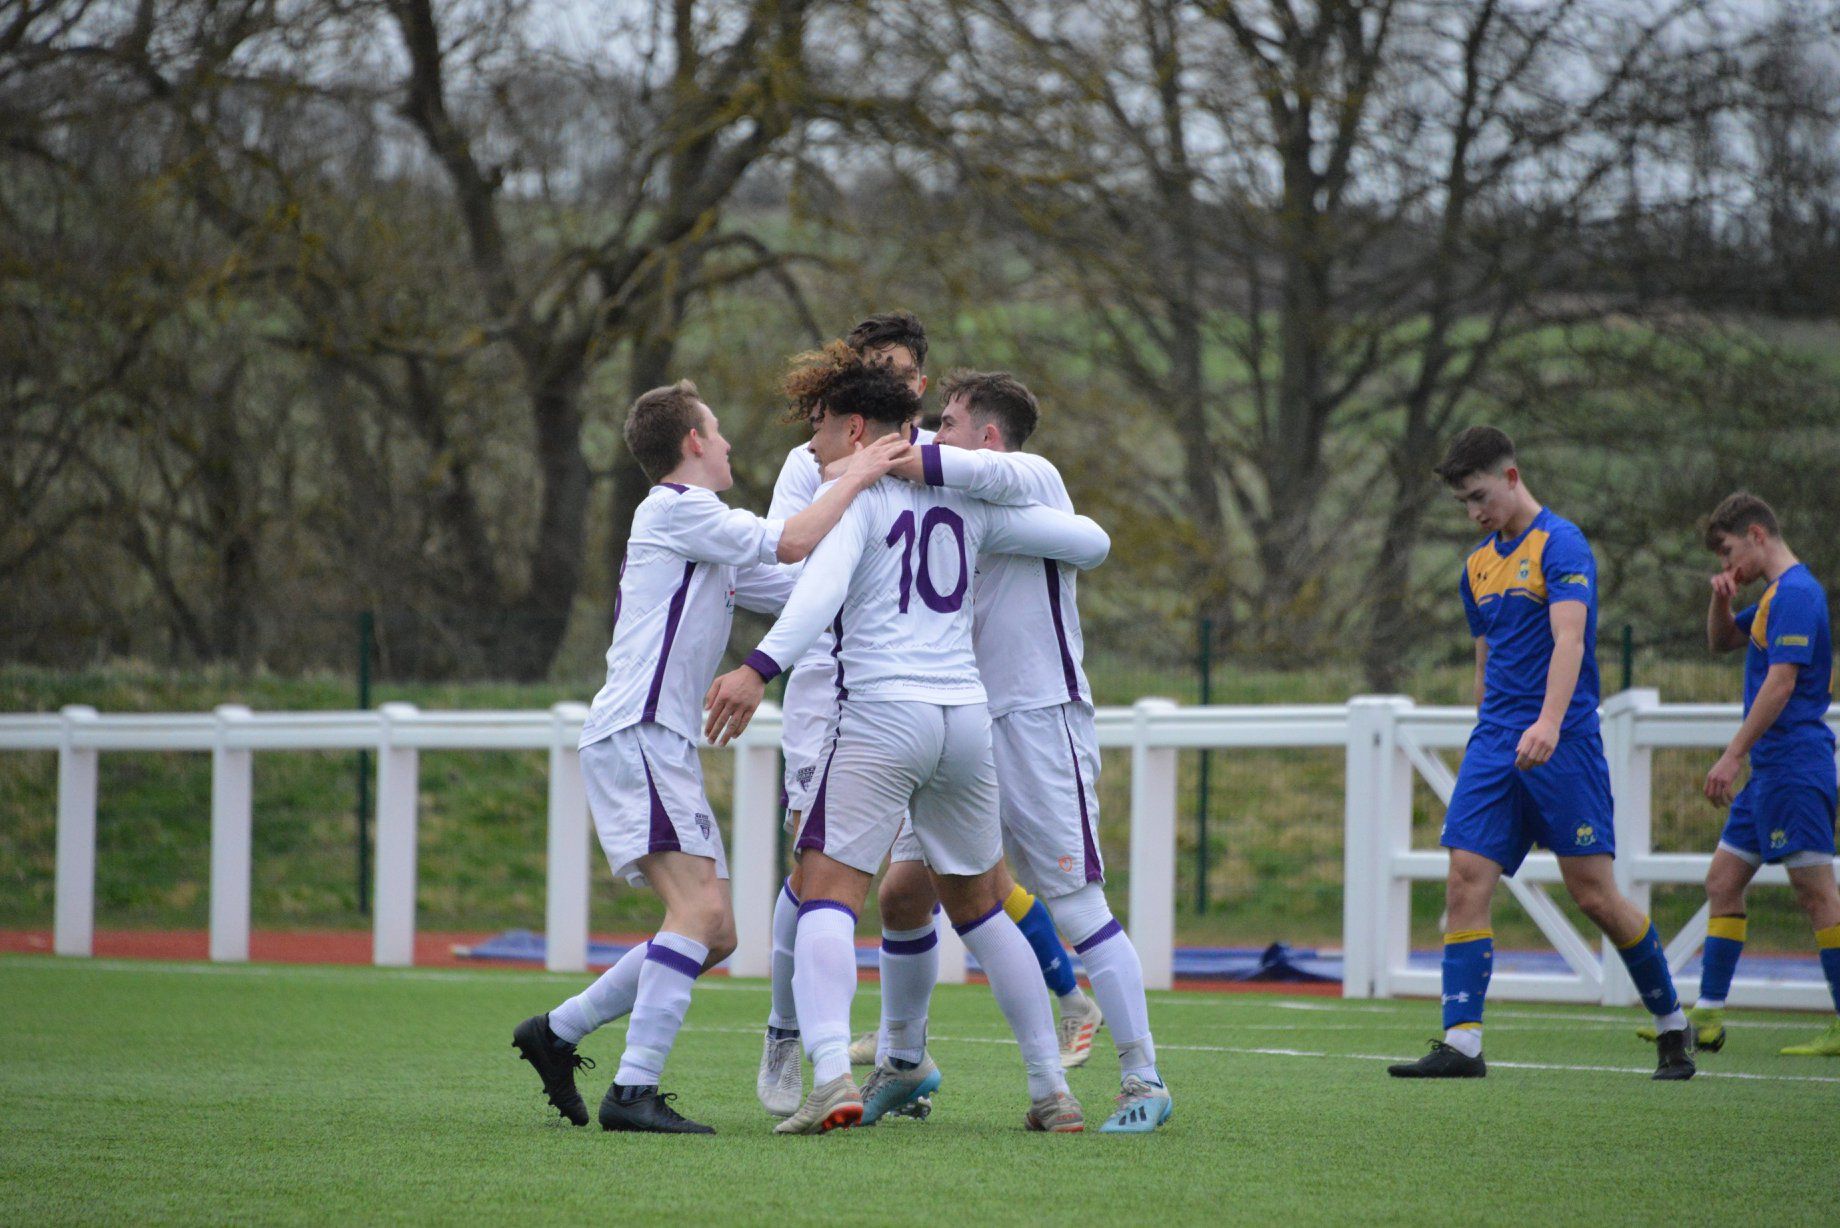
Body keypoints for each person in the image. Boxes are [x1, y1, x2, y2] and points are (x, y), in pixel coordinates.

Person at [705, 358, 1112, 1133]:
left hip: (885, 714)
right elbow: (1088, 542)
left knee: (825, 891)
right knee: (983, 910)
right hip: (964, 720)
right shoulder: (965, 497)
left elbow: (818, 595)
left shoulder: (852, 496)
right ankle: (1050, 1089)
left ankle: (830, 1075)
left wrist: (757, 668)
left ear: (856, 429)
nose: (815, 445)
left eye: (821, 428)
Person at [511, 380, 905, 1133]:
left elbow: (794, 579)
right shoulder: (678, 509)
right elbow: (791, 540)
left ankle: (557, 1032)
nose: (727, 443)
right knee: (699, 912)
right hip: (640, 734)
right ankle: (633, 1090)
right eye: (717, 431)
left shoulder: (703, 531)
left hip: (658, 741)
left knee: (715, 933)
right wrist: (859, 473)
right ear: (693, 441)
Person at [893, 369, 1171, 1132]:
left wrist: (890, 448)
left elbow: (942, 463)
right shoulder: (957, 503)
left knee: (1078, 904)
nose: (933, 432)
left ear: (988, 435)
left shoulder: (1031, 474)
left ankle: (1143, 1080)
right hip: (970, 724)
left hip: (1041, 720)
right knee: (906, 889)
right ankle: (903, 1064)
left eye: (946, 421)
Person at [1387, 426, 1695, 1081]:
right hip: (1496, 743)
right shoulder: (1475, 565)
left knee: (1595, 897)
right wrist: (1486, 731)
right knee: (1464, 878)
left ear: (1512, 477)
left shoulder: (1563, 543)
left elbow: (1570, 640)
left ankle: (1673, 1024)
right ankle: (1462, 1043)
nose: (1475, 513)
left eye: (1480, 497)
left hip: (1564, 744)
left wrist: (1550, 723)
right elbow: (1486, 653)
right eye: (1464, 505)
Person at [1636, 492, 1839, 1056]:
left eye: (1728, 555)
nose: (1728, 568)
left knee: (1816, 892)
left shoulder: (1796, 593)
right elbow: (1721, 640)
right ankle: (1708, 1014)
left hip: (1795, 764)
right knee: (1723, 882)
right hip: (1771, 771)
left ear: (1756, 533)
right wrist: (1721, 601)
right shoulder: (1775, 596)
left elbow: (1782, 683)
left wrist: (1732, 754)